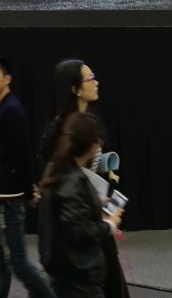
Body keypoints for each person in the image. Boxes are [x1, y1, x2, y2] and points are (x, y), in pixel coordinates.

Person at [0, 54, 55, 298]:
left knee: (19, 264)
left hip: (9, 200)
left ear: (7, 78)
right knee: (1, 261)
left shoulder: (12, 110)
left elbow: (22, 156)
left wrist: (28, 191)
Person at [38, 113, 128, 298]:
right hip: (78, 276)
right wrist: (110, 224)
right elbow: (79, 231)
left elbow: (67, 217)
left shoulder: (57, 170)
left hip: (60, 271)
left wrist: (94, 204)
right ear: (93, 145)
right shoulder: (74, 181)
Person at [39, 60, 117, 184]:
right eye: (90, 78)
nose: (96, 83)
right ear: (76, 89)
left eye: (94, 77)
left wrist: (109, 172)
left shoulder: (91, 120)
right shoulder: (62, 129)